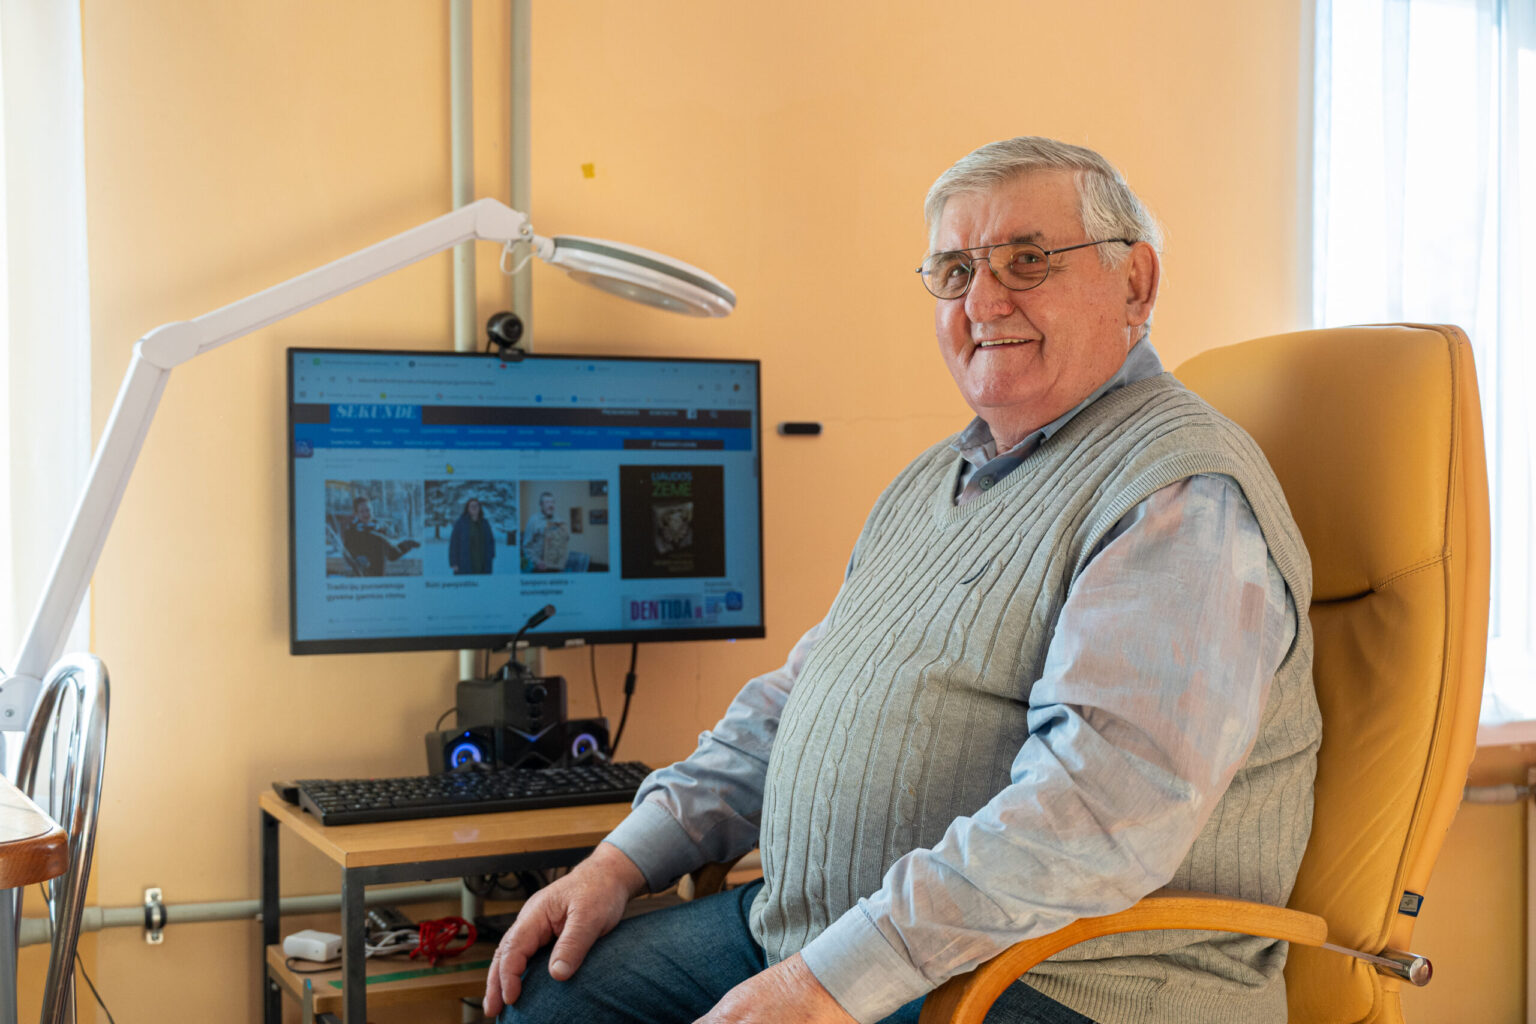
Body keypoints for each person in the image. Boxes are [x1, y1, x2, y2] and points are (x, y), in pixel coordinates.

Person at [483, 137, 1321, 1024]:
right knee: (552, 996)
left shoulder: (1177, 494)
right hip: (829, 936)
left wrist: (825, 984)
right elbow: (797, 702)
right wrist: (620, 861)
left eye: (1027, 260)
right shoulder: (934, 480)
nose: (984, 301)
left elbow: (1102, 812)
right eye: (956, 272)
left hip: (1056, 978)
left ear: (1135, 284)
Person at [340, 496, 419, 577]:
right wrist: (357, 559)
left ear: (372, 510)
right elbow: (347, 554)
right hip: (360, 579)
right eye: (362, 511)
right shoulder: (351, 532)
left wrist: (406, 545)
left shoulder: (380, 529)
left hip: (378, 578)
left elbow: (392, 554)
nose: (366, 514)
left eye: (368, 510)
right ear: (356, 514)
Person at [521, 491, 567, 572]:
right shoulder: (533, 521)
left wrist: (565, 535)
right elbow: (526, 546)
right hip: (539, 568)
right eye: (547, 502)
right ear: (541, 505)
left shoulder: (560, 521)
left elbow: (564, 541)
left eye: (552, 502)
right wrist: (537, 562)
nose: (550, 505)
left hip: (557, 567)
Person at [449, 497, 496, 575]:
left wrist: (491, 555)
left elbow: (491, 541)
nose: (474, 507)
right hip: (464, 562)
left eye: (476, 505)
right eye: (471, 506)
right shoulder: (461, 523)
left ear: (479, 508)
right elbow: (454, 544)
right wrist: (454, 563)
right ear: (467, 508)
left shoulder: (485, 523)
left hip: (482, 563)